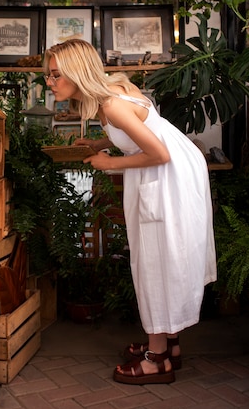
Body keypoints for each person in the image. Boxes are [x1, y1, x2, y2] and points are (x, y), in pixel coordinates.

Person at [43, 39, 217, 385]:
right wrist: (100, 143)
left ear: (77, 73)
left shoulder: (112, 105)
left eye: (54, 75)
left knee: (155, 260)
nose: (49, 82)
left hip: (167, 174)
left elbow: (158, 152)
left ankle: (157, 360)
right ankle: (169, 344)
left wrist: (110, 162)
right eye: (48, 76)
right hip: (174, 171)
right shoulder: (113, 90)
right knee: (163, 256)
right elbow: (141, 129)